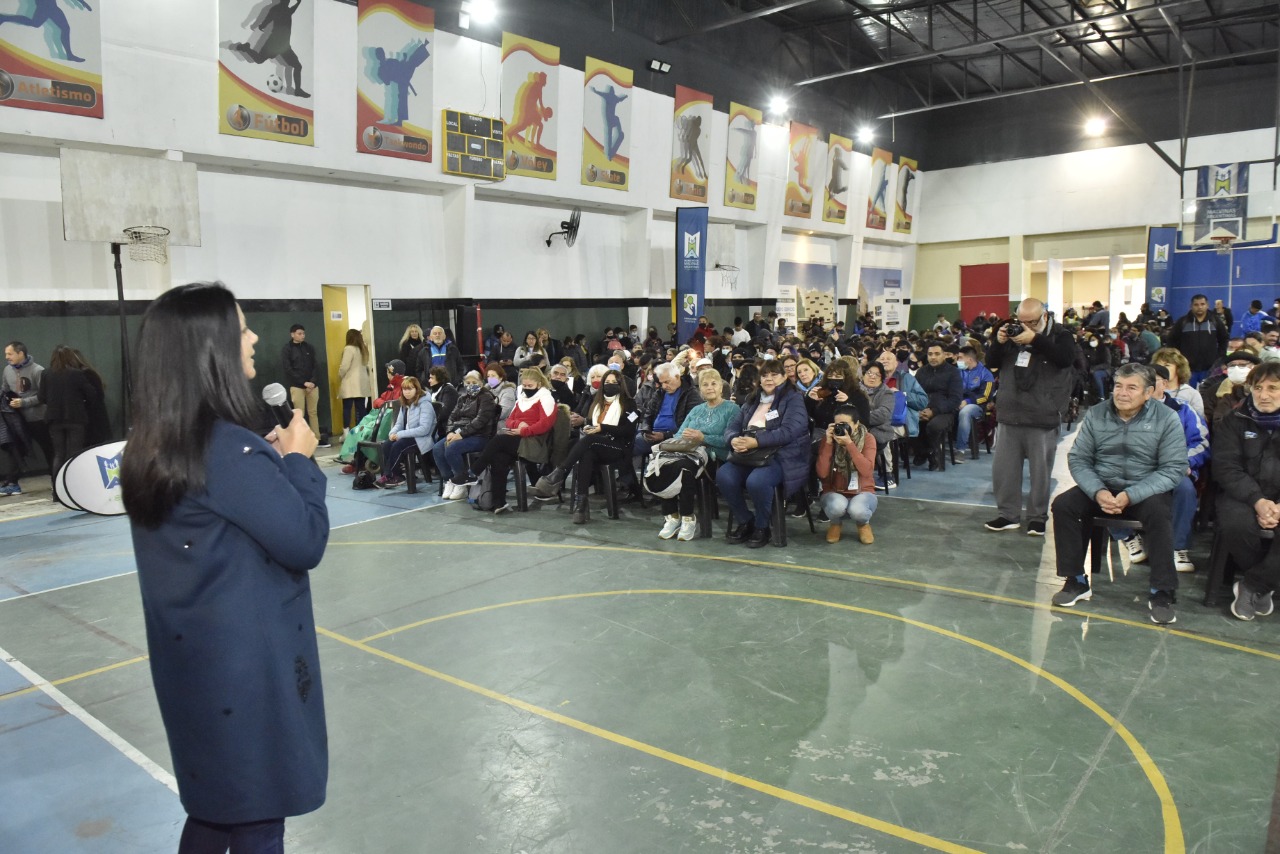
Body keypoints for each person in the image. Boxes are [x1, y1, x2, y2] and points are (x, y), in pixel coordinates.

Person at [119, 282, 328, 853]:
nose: (254, 338)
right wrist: (298, 462)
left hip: (195, 663)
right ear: (210, 348)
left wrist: (265, 465)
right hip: (247, 670)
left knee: (218, 809)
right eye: (242, 328)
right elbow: (304, 540)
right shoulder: (229, 452)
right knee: (258, 816)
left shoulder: (156, 445)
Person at [1049, 364, 1186, 624]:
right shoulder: (1097, 414)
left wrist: (1131, 495)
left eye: (1131, 388)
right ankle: (1075, 579)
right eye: (1118, 386)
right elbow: (1079, 458)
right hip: (1103, 485)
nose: (1122, 393)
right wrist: (1097, 490)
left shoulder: (1167, 418)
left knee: (1160, 513)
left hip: (1144, 489)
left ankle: (1162, 591)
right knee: (1064, 505)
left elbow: (1173, 468)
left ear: (1148, 393)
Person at [984, 299, 1077, 535]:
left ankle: (1037, 517)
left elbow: (1065, 359)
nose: (1025, 326)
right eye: (1021, 321)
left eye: (1032, 322)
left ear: (1044, 316)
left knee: (1040, 472)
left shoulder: (1061, 335)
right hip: (1010, 412)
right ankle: (1007, 515)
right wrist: (998, 342)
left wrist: (1035, 339)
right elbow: (991, 363)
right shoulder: (1010, 333)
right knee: (1004, 471)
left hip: (1042, 414)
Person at [717, 359, 809, 548]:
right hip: (749, 453)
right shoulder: (752, 399)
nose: (768, 379)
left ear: (784, 377)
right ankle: (745, 520)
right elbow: (733, 426)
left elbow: (789, 431)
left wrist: (757, 441)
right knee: (724, 475)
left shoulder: (794, 398)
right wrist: (733, 439)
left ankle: (762, 526)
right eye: (764, 375)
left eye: (774, 375)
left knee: (757, 481)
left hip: (782, 455)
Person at [1214, 361, 1280, 619]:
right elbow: (1226, 467)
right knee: (1236, 525)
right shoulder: (1235, 420)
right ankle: (1266, 584)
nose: (1264, 395)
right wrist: (1258, 501)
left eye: (1273, 388)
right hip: (1242, 495)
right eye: (1258, 388)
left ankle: (1252, 585)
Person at [531, 370, 634, 524]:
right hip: (596, 444)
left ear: (621, 385)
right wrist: (588, 426)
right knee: (587, 455)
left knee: (588, 441)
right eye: (607, 382)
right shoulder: (597, 402)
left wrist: (602, 428)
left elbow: (628, 430)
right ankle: (580, 505)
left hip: (618, 447)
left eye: (614, 383)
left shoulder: (629, 404)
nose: (610, 385)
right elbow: (592, 423)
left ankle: (559, 473)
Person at [450, 368, 556, 513]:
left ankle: (473, 472)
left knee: (498, 440)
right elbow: (509, 420)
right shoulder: (522, 399)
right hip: (518, 438)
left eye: (530, 386)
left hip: (535, 442)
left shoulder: (546, 398)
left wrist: (524, 430)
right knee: (498, 457)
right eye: (524, 385)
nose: (526, 388)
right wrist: (518, 424)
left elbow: (545, 424)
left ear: (539, 384)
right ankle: (499, 502)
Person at [648, 368, 737, 540]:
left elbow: (729, 441)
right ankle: (672, 517)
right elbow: (679, 434)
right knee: (664, 464)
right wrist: (686, 438)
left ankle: (688, 517)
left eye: (713, 384)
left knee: (684, 467)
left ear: (721, 387)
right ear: (700, 389)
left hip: (715, 457)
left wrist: (703, 437)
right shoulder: (696, 410)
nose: (709, 387)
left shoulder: (732, 409)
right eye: (705, 384)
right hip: (689, 452)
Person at [38, 345, 103, 484]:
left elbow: (41, 397)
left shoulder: (46, 373)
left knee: (58, 454)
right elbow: (91, 394)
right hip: (75, 418)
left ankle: (57, 487)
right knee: (74, 453)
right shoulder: (76, 374)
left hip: (54, 419)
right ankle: (74, 485)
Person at [817, 404, 878, 545]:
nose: (841, 428)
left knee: (857, 510)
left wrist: (850, 445)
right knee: (836, 506)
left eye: (845, 424)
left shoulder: (868, 439)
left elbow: (867, 471)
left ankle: (863, 524)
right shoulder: (829, 439)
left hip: (862, 492)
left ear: (856, 424)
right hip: (834, 491)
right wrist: (828, 443)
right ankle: (835, 523)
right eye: (837, 425)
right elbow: (822, 473)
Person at [436, 370, 497, 500]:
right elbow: (452, 417)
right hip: (459, 432)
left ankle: (461, 481)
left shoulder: (486, 397)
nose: (470, 385)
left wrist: (462, 434)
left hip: (480, 435)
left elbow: (480, 420)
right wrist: (450, 432)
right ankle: (450, 480)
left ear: (481, 383)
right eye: (468, 383)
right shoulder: (462, 398)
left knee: (452, 448)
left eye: (474, 382)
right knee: (437, 449)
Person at [2, 341, 54, 490]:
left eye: (10, 354)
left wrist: (24, 402)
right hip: (17, 420)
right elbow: (5, 389)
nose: (7, 357)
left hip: (38, 419)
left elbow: (45, 396)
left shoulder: (38, 370)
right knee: (17, 450)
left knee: (49, 449)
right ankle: (12, 483)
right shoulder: (7, 370)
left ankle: (57, 480)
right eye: (6, 354)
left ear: (20, 353)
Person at [376, 376, 436, 488]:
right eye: (404, 389)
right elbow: (399, 424)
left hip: (422, 439)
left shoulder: (425, 404)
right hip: (408, 436)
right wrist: (392, 433)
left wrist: (400, 434)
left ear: (417, 389)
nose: (407, 392)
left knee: (398, 445)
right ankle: (397, 475)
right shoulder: (405, 404)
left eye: (410, 389)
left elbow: (424, 429)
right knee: (387, 445)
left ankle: (389, 476)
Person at [911, 342, 963, 470]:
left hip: (945, 412)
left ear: (944, 355)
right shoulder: (921, 372)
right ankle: (923, 452)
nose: (933, 357)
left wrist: (934, 411)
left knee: (933, 426)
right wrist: (919, 410)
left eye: (937, 354)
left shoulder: (953, 373)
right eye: (930, 354)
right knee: (908, 421)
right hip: (922, 409)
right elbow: (913, 393)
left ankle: (933, 453)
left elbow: (955, 400)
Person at [1168, 293, 1229, 387]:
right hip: (1187, 368)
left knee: (1208, 393)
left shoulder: (1215, 321)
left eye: (1202, 304)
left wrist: (1220, 357)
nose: (1199, 307)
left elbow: (1224, 339)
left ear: (1207, 305)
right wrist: (1177, 359)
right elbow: (1172, 341)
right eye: (1196, 304)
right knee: (1187, 393)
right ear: (1191, 306)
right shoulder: (1182, 322)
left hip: (1210, 368)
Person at [282, 323, 327, 447]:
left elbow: (315, 366)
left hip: (312, 386)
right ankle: (301, 441)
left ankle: (316, 439)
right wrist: (303, 382)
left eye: (303, 333)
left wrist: (312, 382)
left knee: (313, 413)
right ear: (292, 334)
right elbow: (288, 369)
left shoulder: (309, 348)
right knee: (299, 414)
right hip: (297, 386)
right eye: (299, 333)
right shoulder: (287, 349)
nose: (302, 336)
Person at [955, 346, 995, 456]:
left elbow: (986, 397)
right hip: (957, 401)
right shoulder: (957, 372)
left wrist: (967, 401)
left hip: (978, 406)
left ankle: (960, 450)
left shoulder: (986, 374)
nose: (958, 360)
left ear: (970, 359)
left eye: (960, 358)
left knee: (965, 411)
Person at [1149, 347, 1205, 423]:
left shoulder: (1192, 394)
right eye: (1159, 366)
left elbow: (1199, 422)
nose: (1162, 369)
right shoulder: (1149, 392)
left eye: (1167, 365)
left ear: (1179, 368)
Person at [338, 328, 373, 431]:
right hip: (362, 383)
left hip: (350, 383)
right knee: (361, 407)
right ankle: (361, 430)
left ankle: (346, 432)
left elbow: (344, 366)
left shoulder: (349, 348)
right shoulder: (363, 349)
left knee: (347, 408)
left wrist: (340, 375)